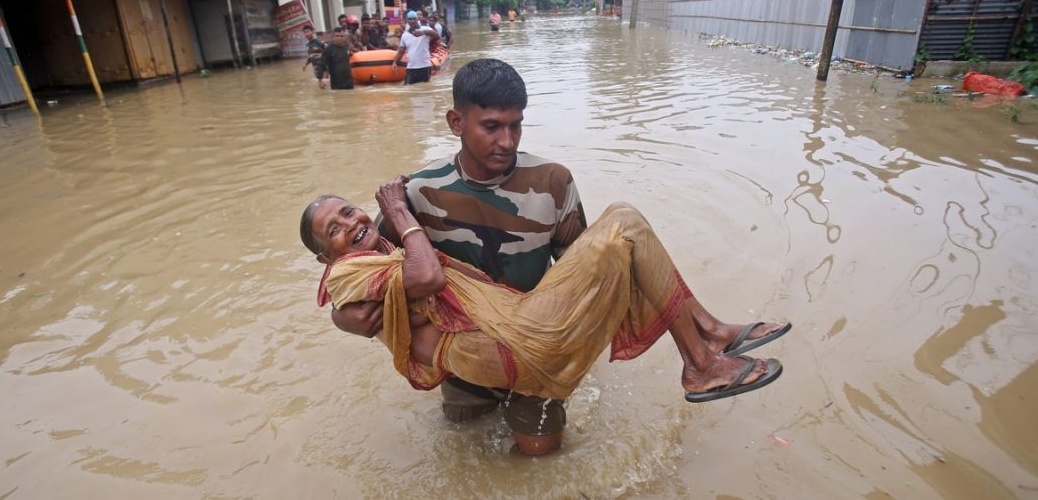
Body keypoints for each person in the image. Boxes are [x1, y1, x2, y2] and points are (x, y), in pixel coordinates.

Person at [325, 59, 791, 455]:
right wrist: (341, 321)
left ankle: (703, 346)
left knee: (541, 462)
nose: (506, 141)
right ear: (455, 123)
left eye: (516, 124)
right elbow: (361, 267)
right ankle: (706, 341)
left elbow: (585, 270)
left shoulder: (553, 182)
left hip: (537, 342)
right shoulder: (417, 193)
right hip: (463, 364)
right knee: (463, 448)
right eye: (491, 127)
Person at [391, 10, 439, 85]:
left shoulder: (425, 29)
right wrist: (395, 62)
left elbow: (437, 35)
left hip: (424, 66)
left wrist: (423, 32)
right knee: (408, 88)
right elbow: (401, 51)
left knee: (424, 88)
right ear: (407, 20)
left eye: (414, 19)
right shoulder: (405, 35)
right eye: (410, 19)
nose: (412, 21)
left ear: (417, 19)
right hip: (411, 67)